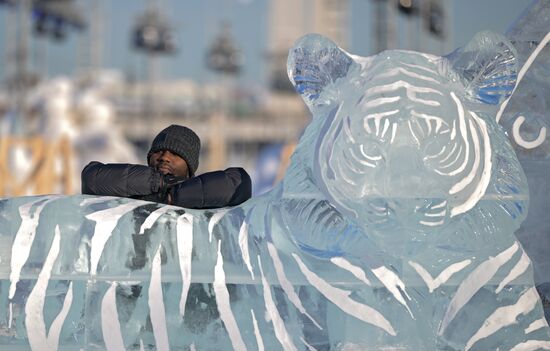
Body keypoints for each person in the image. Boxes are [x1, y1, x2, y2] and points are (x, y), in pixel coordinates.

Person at [81, 124, 251, 209]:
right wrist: (157, 184)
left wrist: (170, 196)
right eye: (159, 151)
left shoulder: (203, 197)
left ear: (190, 166)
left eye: (175, 154)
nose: (164, 158)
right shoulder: (132, 188)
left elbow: (238, 183)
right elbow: (91, 178)